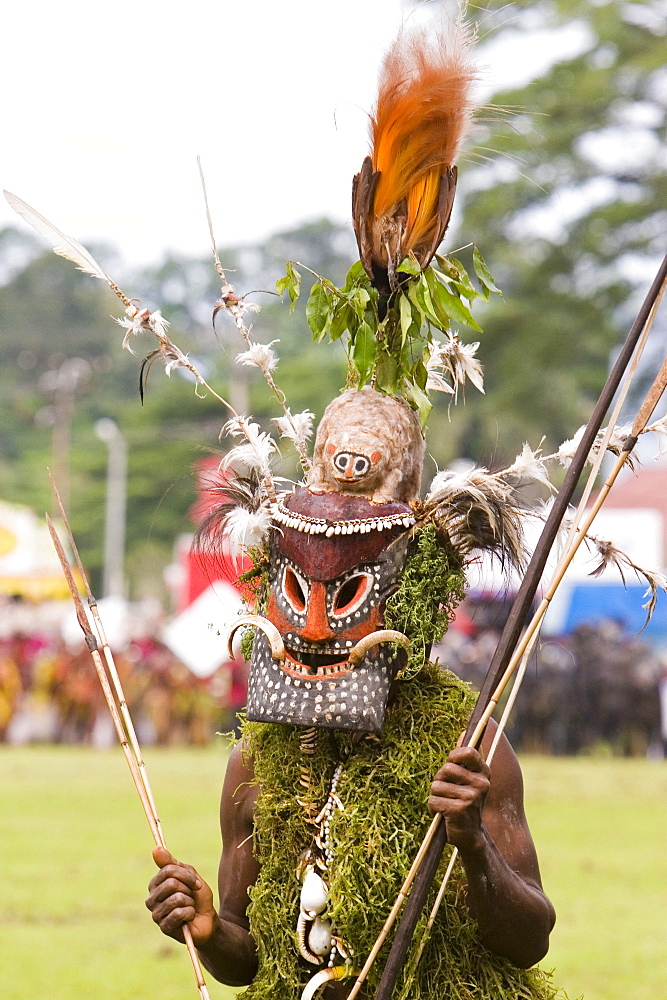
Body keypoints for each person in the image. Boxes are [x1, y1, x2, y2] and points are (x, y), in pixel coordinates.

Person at [146, 710, 555, 992]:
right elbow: (247, 963)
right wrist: (211, 932)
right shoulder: (255, 760)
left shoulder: (469, 746)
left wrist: (475, 841)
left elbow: (530, 943)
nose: (320, 632)